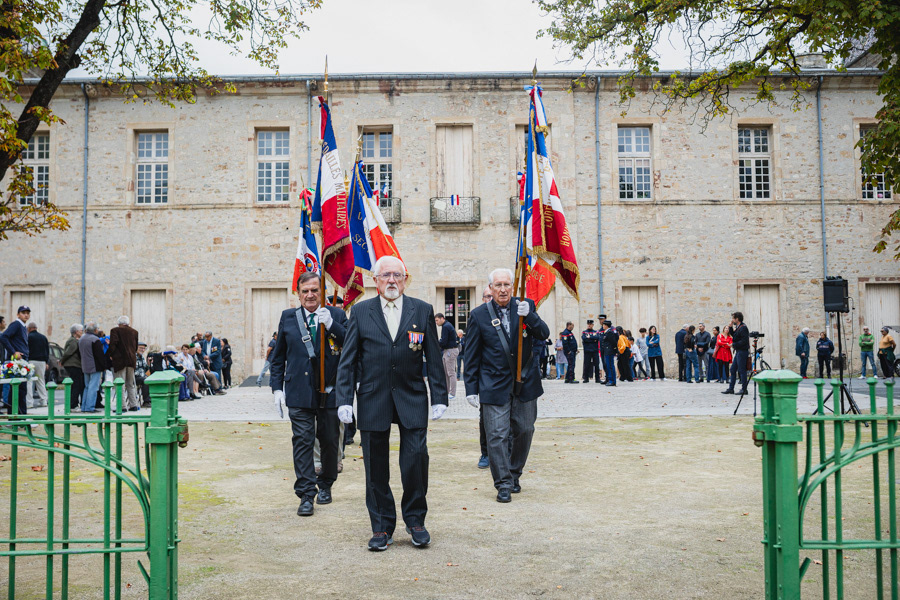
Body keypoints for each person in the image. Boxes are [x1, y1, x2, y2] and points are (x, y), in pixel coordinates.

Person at [335, 256, 448, 551]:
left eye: (397, 275)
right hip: (374, 398)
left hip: (412, 396)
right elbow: (348, 360)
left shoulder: (421, 310)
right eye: (385, 275)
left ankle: (415, 521)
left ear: (405, 279)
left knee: (416, 460)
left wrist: (439, 397)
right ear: (376, 280)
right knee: (375, 467)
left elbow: (433, 356)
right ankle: (382, 527)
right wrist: (344, 399)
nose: (392, 281)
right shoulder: (361, 312)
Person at [463, 267, 549, 503]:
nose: (503, 289)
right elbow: (471, 355)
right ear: (490, 289)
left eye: (507, 285)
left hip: (525, 381)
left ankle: (514, 473)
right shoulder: (479, 315)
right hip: (493, 383)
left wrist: (530, 316)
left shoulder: (525, 305)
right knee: (496, 435)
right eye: (498, 285)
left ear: (513, 286)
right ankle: (503, 483)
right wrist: (471, 389)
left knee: (525, 430)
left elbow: (543, 333)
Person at [270, 271, 349, 517]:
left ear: (322, 292)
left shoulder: (336, 315)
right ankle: (306, 494)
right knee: (303, 441)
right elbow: (278, 357)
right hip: (298, 391)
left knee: (329, 441)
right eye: (305, 291)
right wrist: (277, 388)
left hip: (330, 390)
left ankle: (326, 484)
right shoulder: (288, 317)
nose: (310, 295)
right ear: (298, 293)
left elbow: (351, 346)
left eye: (315, 290)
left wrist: (332, 325)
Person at [1, 305, 31, 414]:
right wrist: (13, 352)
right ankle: (17, 415)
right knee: (18, 389)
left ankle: (19, 415)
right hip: (17, 361)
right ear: (18, 314)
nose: (26, 315)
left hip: (22, 361)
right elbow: (4, 337)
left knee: (20, 390)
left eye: (27, 313)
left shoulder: (22, 326)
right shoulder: (16, 324)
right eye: (23, 313)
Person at [108, 316, 140, 411]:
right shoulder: (134, 332)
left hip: (120, 360)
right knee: (130, 383)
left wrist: (110, 354)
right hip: (131, 360)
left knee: (120, 383)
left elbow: (113, 344)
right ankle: (133, 404)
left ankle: (122, 406)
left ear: (119, 323)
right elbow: (135, 347)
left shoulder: (115, 330)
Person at [476, 285, 492, 469]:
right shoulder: (478, 316)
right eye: (486, 296)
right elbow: (473, 352)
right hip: (486, 378)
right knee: (485, 418)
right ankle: (486, 453)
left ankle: (507, 452)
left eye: (491, 296)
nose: (489, 299)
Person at [78, 322, 107, 413]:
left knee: (87, 387)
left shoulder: (81, 339)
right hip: (94, 366)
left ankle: (84, 406)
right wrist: (104, 366)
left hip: (85, 365)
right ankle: (90, 407)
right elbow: (99, 355)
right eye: (97, 329)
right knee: (93, 387)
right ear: (95, 330)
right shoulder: (95, 340)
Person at [723, 312, 749, 395]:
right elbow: (735, 335)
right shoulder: (738, 327)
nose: (732, 320)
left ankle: (744, 389)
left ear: (737, 319)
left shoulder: (743, 327)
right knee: (733, 369)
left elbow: (744, 341)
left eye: (733, 318)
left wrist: (733, 345)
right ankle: (731, 388)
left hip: (742, 351)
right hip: (738, 351)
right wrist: (730, 327)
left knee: (742, 370)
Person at [435, 313, 459, 400]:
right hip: (448, 350)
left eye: (437, 320)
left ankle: (452, 393)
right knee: (446, 373)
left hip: (450, 351)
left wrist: (436, 342)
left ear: (442, 318)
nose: (436, 322)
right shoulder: (447, 325)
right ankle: (447, 391)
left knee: (451, 373)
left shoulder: (446, 326)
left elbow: (444, 341)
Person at [26, 321, 50, 408]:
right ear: (36, 328)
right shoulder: (43, 337)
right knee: (41, 381)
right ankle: (43, 400)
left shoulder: (28, 337)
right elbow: (47, 350)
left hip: (31, 361)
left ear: (29, 328)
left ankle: (29, 402)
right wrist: (47, 362)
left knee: (29, 381)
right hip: (42, 361)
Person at [62, 324, 85, 409]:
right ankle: (73, 404)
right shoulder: (73, 341)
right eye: (81, 330)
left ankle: (73, 403)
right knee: (76, 385)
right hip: (73, 365)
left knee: (76, 384)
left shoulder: (75, 340)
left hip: (74, 365)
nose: (82, 332)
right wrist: (62, 360)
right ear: (76, 332)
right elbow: (68, 352)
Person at [600, 320, 618, 386]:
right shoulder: (607, 332)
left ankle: (612, 381)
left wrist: (615, 350)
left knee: (610, 366)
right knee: (608, 366)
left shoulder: (609, 332)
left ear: (606, 325)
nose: (603, 326)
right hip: (607, 351)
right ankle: (610, 379)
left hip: (609, 351)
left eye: (604, 325)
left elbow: (613, 342)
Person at [135, 343, 150, 407]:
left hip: (142, 376)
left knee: (150, 379)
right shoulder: (134, 356)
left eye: (144, 348)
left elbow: (146, 368)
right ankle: (146, 402)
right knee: (145, 380)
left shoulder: (142, 357)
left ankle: (151, 399)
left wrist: (148, 363)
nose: (143, 350)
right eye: (141, 348)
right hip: (134, 377)